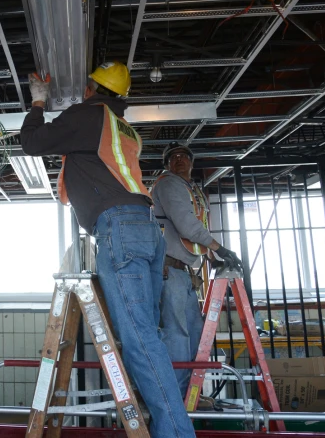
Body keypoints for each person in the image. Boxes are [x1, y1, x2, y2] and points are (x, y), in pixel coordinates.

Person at [21, 62, 196, 437]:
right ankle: (159, 417)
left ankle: (177, 434)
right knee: (147, 333)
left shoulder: (88, 115)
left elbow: (32, 143)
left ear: (90, 88)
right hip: (145, 230)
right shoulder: (124, 126)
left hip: (121, 229)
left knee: (139, 338)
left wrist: (38, 102)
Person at [152, 142, 242, 400]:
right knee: (178, 333)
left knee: (192, 332)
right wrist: (219, 248)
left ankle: (190, 394)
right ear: (167, 165)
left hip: (183, 272)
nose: (178, 160)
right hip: (169, 271)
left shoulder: (191, 190)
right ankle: (177, 397)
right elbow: (186, 224)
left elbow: (198, 226)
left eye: (183, 156)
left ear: (191, 162)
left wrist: (211, 256)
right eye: (173, 158)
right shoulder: (168, 184)